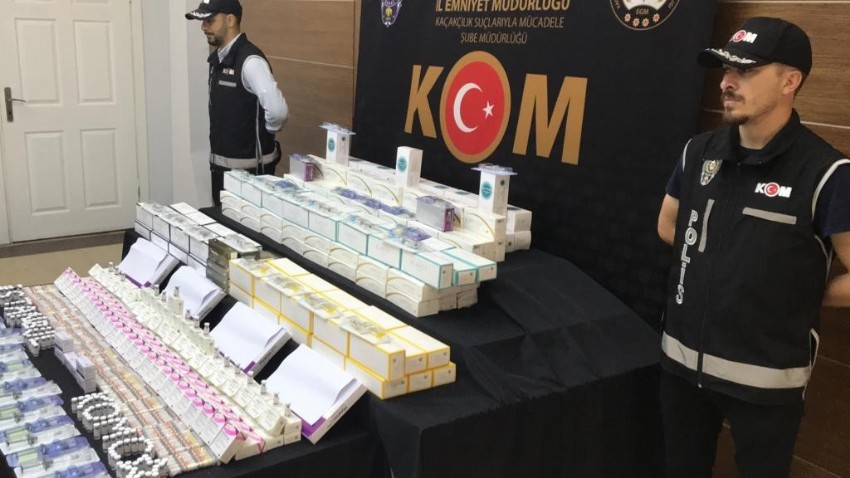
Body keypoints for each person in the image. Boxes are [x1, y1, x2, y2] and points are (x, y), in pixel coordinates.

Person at [656, 17, 850, 478]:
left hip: (765, 384)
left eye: (745, 71)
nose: (727, 82)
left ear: (790, 81)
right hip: (681, 363)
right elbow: (668, 224)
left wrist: (803, 293)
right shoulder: (698, 152)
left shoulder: (827, 173)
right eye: (726, 69)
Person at [186, 0, 289, 206]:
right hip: (222, 169)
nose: (203, 27)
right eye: (203, 21)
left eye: (210, 20)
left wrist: (265, 134)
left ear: (230, 20)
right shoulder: (218, 59)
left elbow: (278, 112)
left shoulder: (250, 61)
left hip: (250, 174)